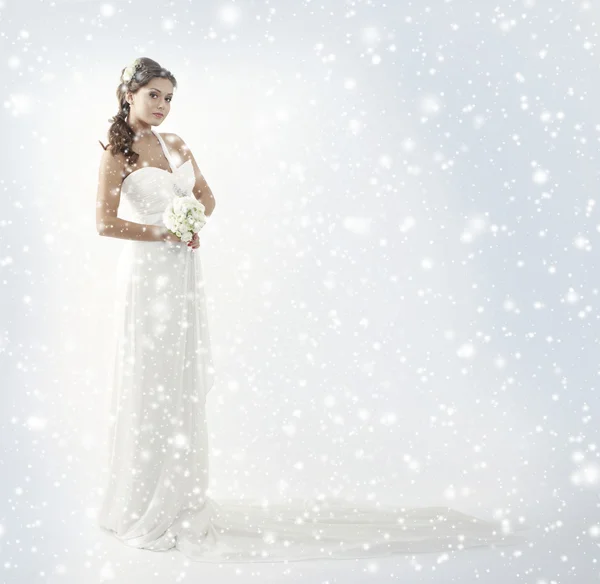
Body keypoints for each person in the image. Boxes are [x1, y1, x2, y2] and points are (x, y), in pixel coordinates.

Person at [95, 57, 530, 563]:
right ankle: (140, 498)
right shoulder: (118, 152)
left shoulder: (178, 144)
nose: (164, 107)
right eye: (154, 95)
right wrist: (164, 230)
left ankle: (176, 494)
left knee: (180, 376)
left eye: (170, 97)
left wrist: (192, 219)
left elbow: (208, 197)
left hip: (183, 273)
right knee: (152, 377)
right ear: (129, 93)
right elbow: (105, 223)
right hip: (148, 276)